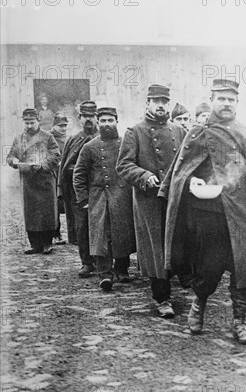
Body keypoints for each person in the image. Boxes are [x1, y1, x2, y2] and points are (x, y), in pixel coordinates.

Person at [158, 79, 246, 345]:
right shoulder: (197, 132)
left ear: (237, 103)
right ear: (212, 100)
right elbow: (179, 171)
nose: (227, 104)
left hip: (241, 212)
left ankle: (239, 323)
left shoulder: (245, 134)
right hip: (207, 214)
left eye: (231, 99)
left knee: (245, 269)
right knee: (208, 269)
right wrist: (191, 182)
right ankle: (198, 307)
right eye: (221, 99)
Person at [117, 84, 187, 318]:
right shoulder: (134, 131)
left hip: (174, 198)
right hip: (150, 200)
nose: (160, 105)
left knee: (177, 244)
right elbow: (123, 165)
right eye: (155, 101)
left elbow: (188, 162)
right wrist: (145, 176)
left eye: (164, 101)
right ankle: (162, 297)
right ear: (147, 103)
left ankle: (183, 283)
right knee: (156, 249)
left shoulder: (178, 130)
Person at [73, 107, 136, 292]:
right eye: (103, 121)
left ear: (117, 121)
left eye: (110, 120)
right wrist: (83, 199)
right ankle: (105, 274)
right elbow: (79, 174)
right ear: (98, 123)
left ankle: (122, 269)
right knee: (101, 236)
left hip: (123, 195)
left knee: (122, 233)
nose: (107, 124)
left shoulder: (126, 144)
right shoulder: (90, 147)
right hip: (99, 197)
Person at [6, 109, 61, 254]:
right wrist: (15, 161)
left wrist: (42, 165)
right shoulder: (19, 139)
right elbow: (10, 156)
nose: (29, 126)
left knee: (47, 211)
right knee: (31, 213)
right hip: (28, 181)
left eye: (32, 122)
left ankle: (47, 243)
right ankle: (35, 244)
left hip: (45, 180)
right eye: (26, 123)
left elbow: (56, 156)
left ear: (38, 121)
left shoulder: (48, 137)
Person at [58, 101, 100, 276]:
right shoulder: (73, 140)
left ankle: (104, 261)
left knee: (103, 226)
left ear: (96, 117)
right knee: (82, 227)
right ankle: (86, 262)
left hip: (101, 190)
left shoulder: (105, 137)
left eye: (91, 116)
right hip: (79, 191)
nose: (88, 120)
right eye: (85, 116)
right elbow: (65, 167)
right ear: (80, 118)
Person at [50, 113, 70, 245]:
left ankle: (72, 233)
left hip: (65, 175)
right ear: (54, 126)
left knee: (68, 203)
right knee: (54, 205)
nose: (63, 128)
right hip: (53, 174)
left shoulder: (68, 138)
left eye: (65, 126)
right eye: (60, 126)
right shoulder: (49, 138)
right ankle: (56, 233)